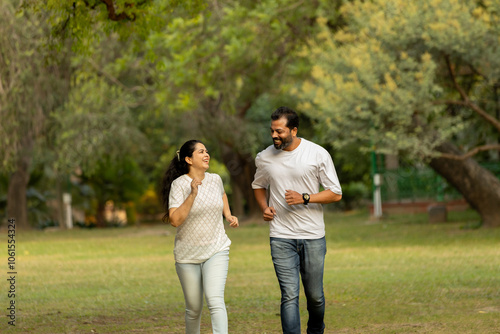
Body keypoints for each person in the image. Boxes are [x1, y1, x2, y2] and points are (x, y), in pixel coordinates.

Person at [252, 107, 342, 334]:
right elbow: (258, 185)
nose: (274, 135)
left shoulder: (317, 153)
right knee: (289, 295)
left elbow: (335, 193)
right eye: (272, 131)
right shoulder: (265, 158)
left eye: (279, 131)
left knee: (315, 297)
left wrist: (305, 198)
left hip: (312, 236)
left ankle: (315, 330)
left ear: (294, 129)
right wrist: (265, 208)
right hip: (281, 236)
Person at [160, 139, 239, 334]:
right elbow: (175, 220)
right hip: (188, 255)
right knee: (194, 308)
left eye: (207, 151)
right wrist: (193, 194)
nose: (207, 155)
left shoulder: (215, 179)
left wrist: (228, 214)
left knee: (215, 300)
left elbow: (222, 195)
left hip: (216, 249)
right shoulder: (179, 185)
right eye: (201, 152)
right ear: (188, 159)